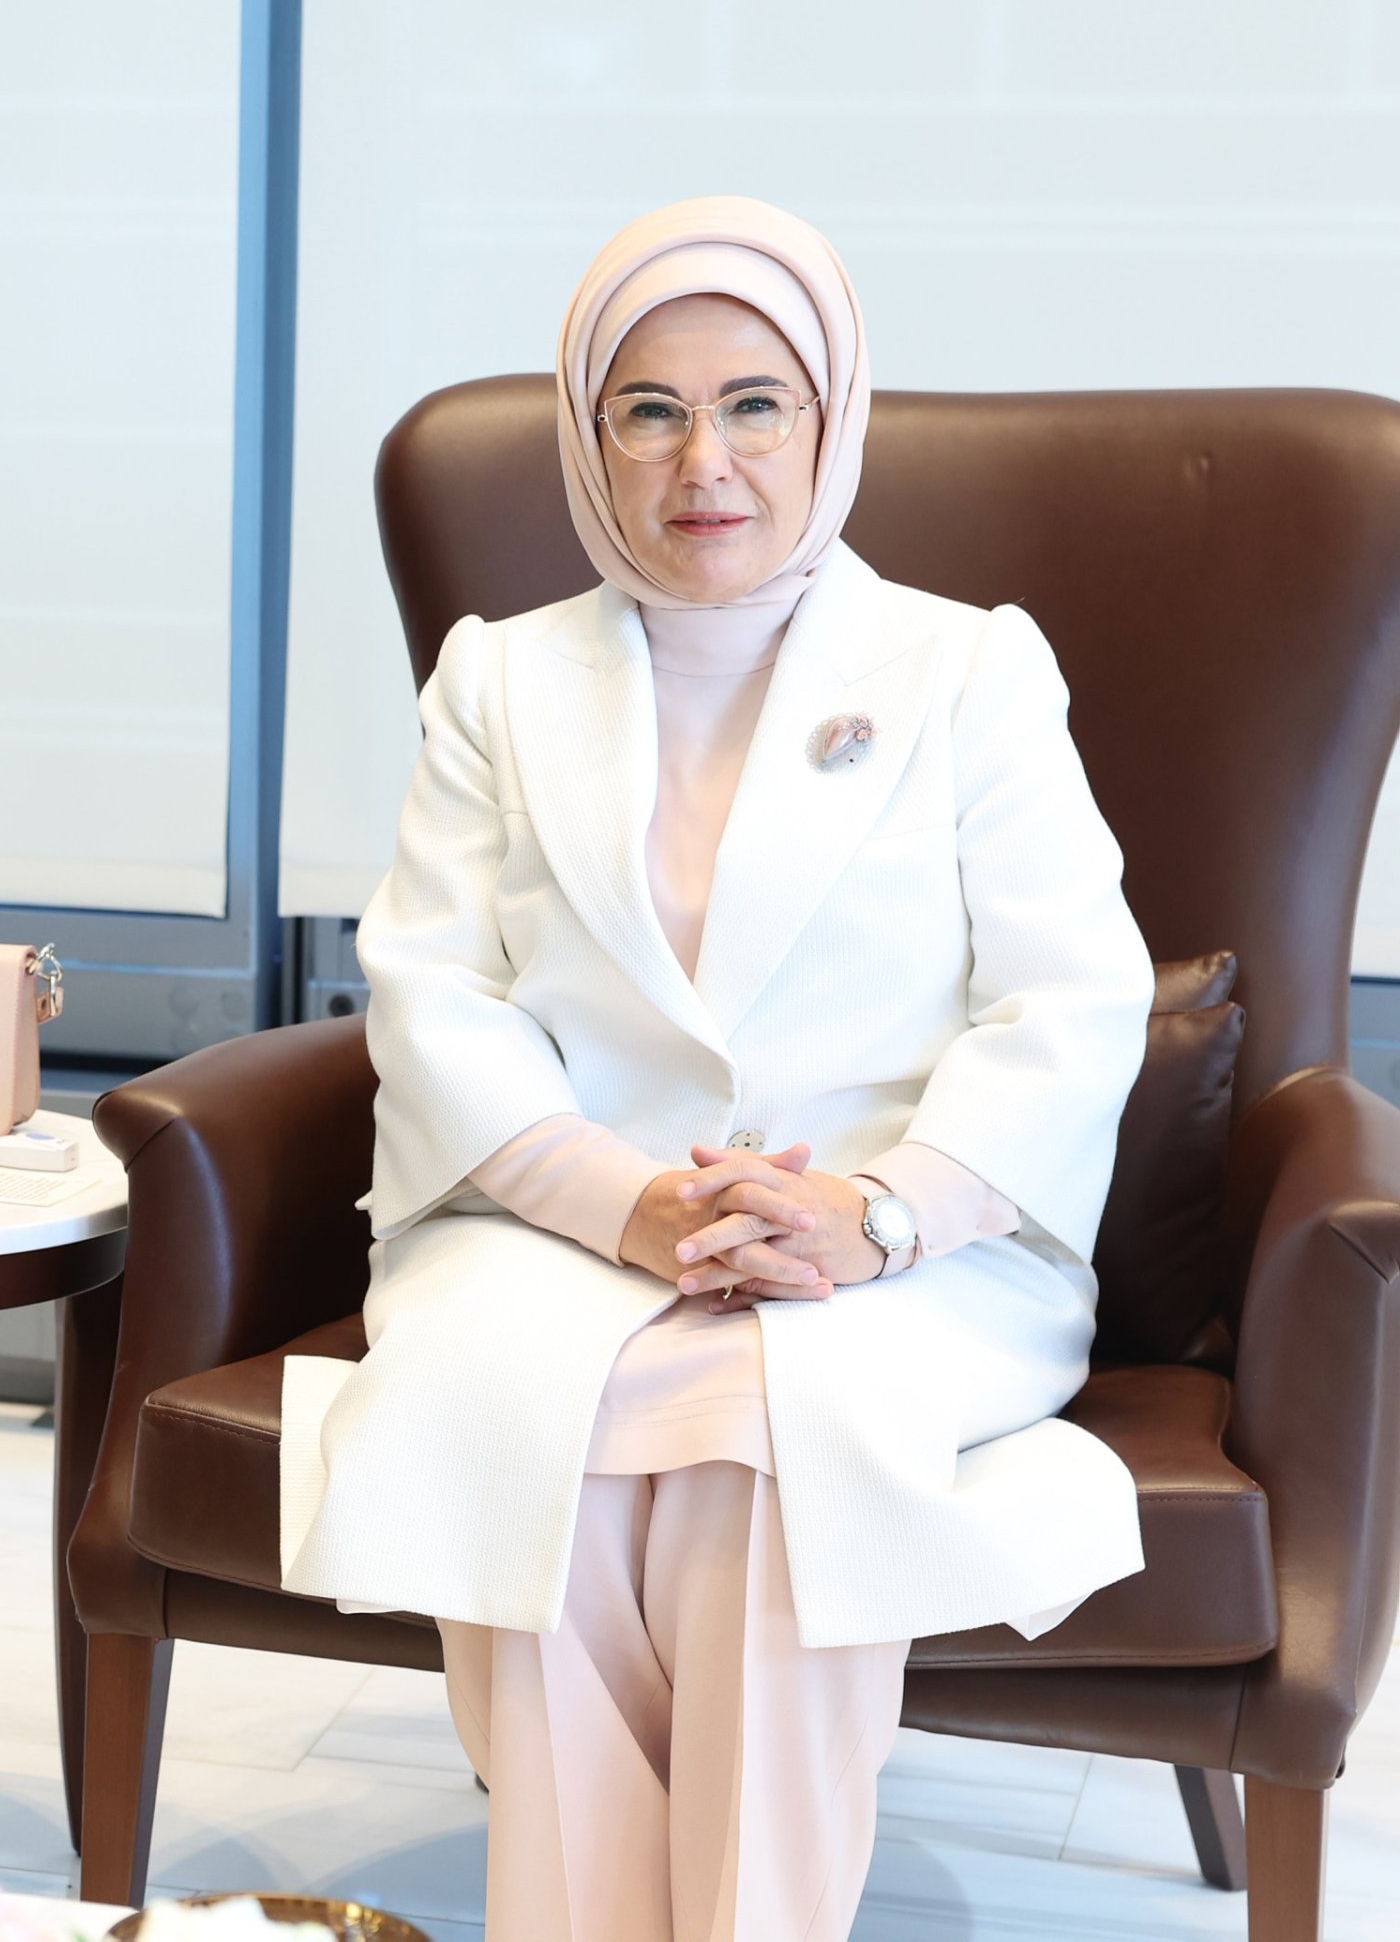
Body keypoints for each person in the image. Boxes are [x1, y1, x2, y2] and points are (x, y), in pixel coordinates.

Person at [276, 197, 1153, 1941]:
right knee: (541, 1418)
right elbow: (436, 993)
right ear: (588, 436)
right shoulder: (501, 683)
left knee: (774, 1439)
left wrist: (873, 1216)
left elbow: (1075, 998)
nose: (707, 462)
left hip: (908, 1247)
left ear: (832, 422)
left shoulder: (971, 670)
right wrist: (627, 1208)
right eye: (649, 409)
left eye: (757, 403)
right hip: (556, 1229)